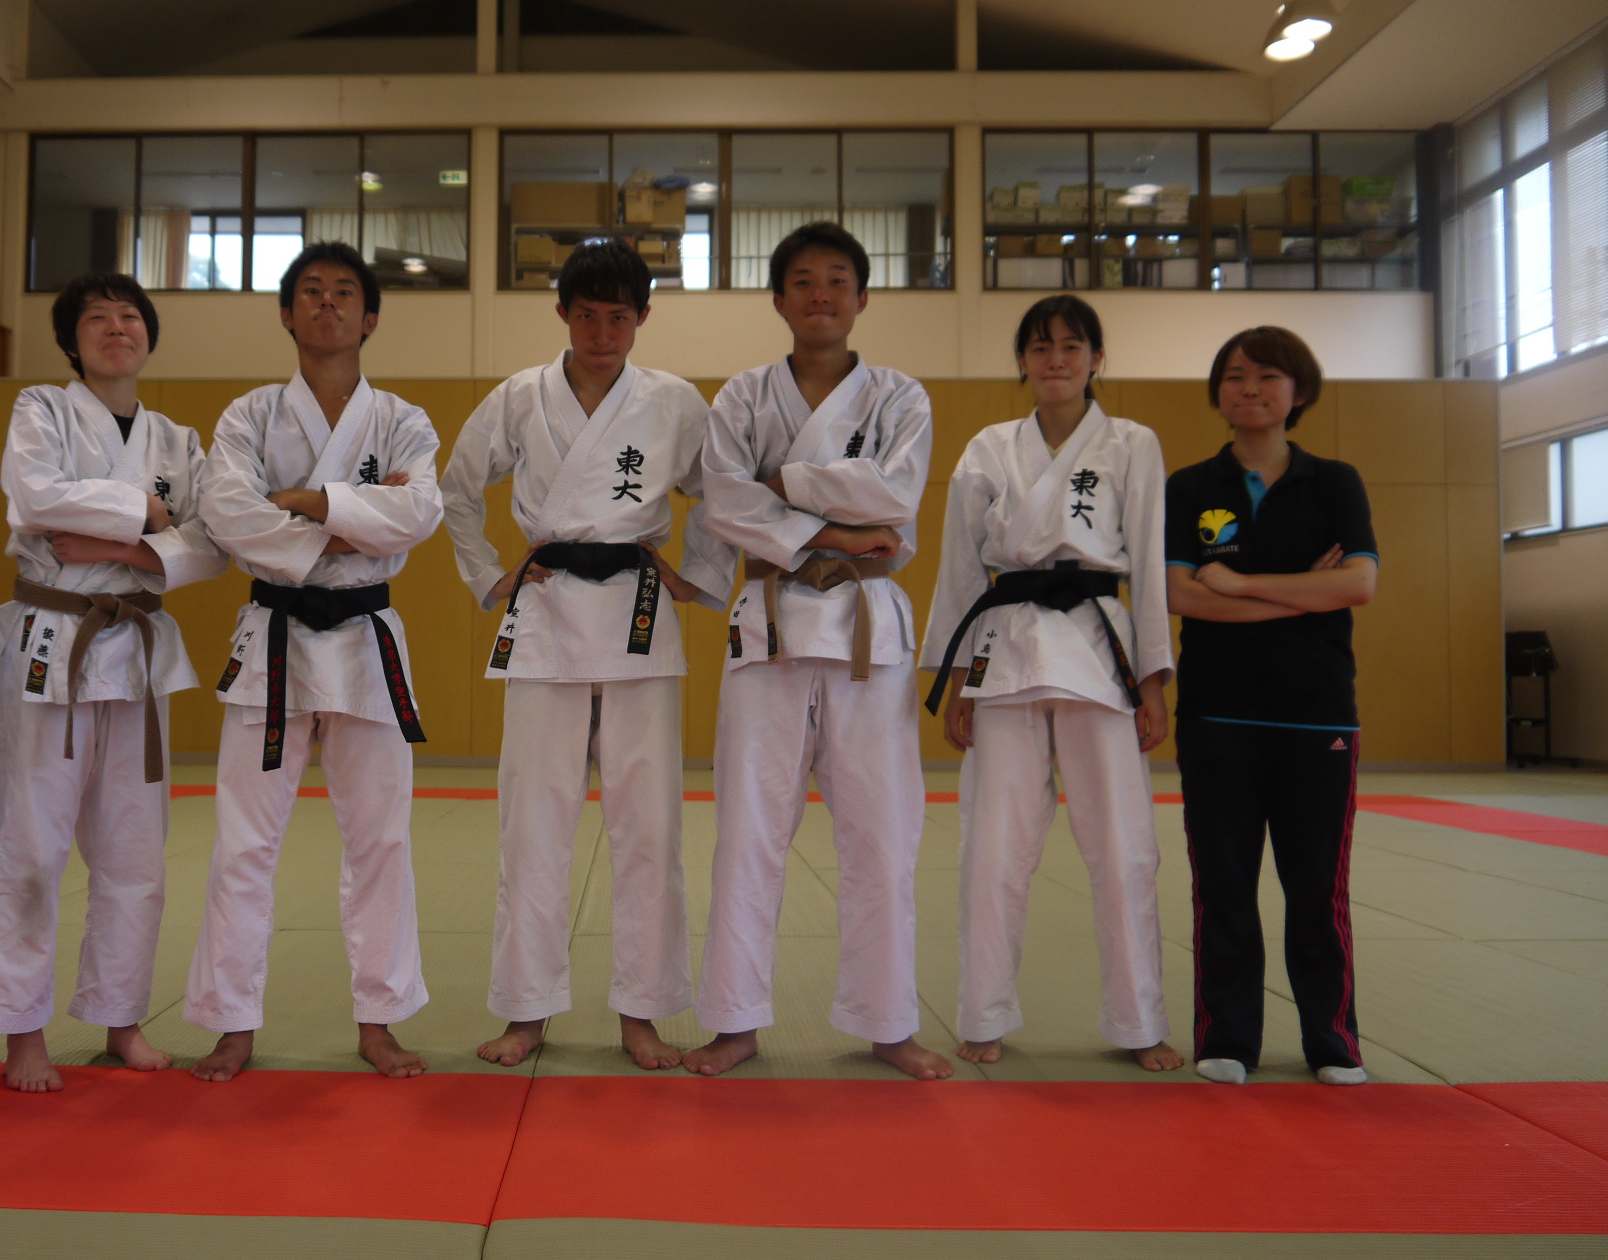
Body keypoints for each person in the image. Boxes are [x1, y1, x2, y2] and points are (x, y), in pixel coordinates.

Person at [440, 238, 733, 1070]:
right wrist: (490, 577)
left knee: (650, 825)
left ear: (643, 317)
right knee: (532, 825)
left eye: (619, 317)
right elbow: (456, 489)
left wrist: (699, 574)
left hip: (639, 614)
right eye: (588, 315)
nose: (603, 334)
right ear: (562, 313)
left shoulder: (674, 402)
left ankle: (642, 1011)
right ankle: (526, 1010)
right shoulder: (518, 398)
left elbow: (720, 491)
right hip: (545, 612)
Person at [687, 222, 945, 1080]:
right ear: (779, 299)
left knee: (883, 832)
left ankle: (888, 1021)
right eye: (802, 280)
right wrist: (838, 529)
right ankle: (734, 1020)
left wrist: (783, 483)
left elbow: (896, 497)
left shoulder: (901, 397)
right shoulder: (742, 397)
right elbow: (724, 505)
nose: (821, 294)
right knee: (749, 829)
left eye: (837, 279)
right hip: (769, 621)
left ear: (862, 297)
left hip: (868, 627)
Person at [185, 242, 441, 1080]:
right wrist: (355, 519)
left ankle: (380, 1018)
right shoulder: (249, 417)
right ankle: (231, 1022)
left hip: (366, 639)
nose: (328, 304)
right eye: (311, 292)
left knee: (381, 840)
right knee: (243, 843)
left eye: (344, 293)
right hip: (276, 635)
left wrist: (302, 501)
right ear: (286, 313)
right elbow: (228, 516)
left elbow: (418, 515)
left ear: (371, 317)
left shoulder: (402, 419)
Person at [0, 274, 226, 1092]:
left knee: (136, 851)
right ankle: (22, 1032)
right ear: (71, 340)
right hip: (53, 642)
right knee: (32, 846)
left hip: (136, 650)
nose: (117, 328)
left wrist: (117, 544)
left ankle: (121, 1018)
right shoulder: (41, 411)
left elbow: (212, 543)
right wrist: (147, 515)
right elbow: (35, 496)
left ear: (148, 335)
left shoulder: (179, 440)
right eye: (97, 318)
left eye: (130, 317)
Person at [920, 295, 1182, 1073]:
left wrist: (1155, 681)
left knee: (1123, 846)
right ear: (1023, 362)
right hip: (1005, 648)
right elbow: (961, 571)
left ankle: (1139, 1020)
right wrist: (959, 683)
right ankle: (983, 1012)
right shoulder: (989, 447)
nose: (1056, 360)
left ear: (1097, 359)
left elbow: (1150, 564)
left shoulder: (1132, 443)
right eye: (1040, 348)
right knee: (992, 846)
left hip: (1100, 648)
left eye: (1072, 346)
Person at [1166, 326, 1378, 1087]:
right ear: (1217, 392)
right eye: (1234, 375)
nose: (1249, 388)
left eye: (1267, 375)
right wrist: (1302, 593)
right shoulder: (1190, 487)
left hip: (1317, 716)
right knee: (1223, 886)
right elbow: (1179, 595)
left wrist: (1241, 584)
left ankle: (1332, 1039)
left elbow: (1357, 584)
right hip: (1216, 716)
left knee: (1317, 888)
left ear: (1299, 390)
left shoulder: (1336, 482)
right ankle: (1227, 1036)